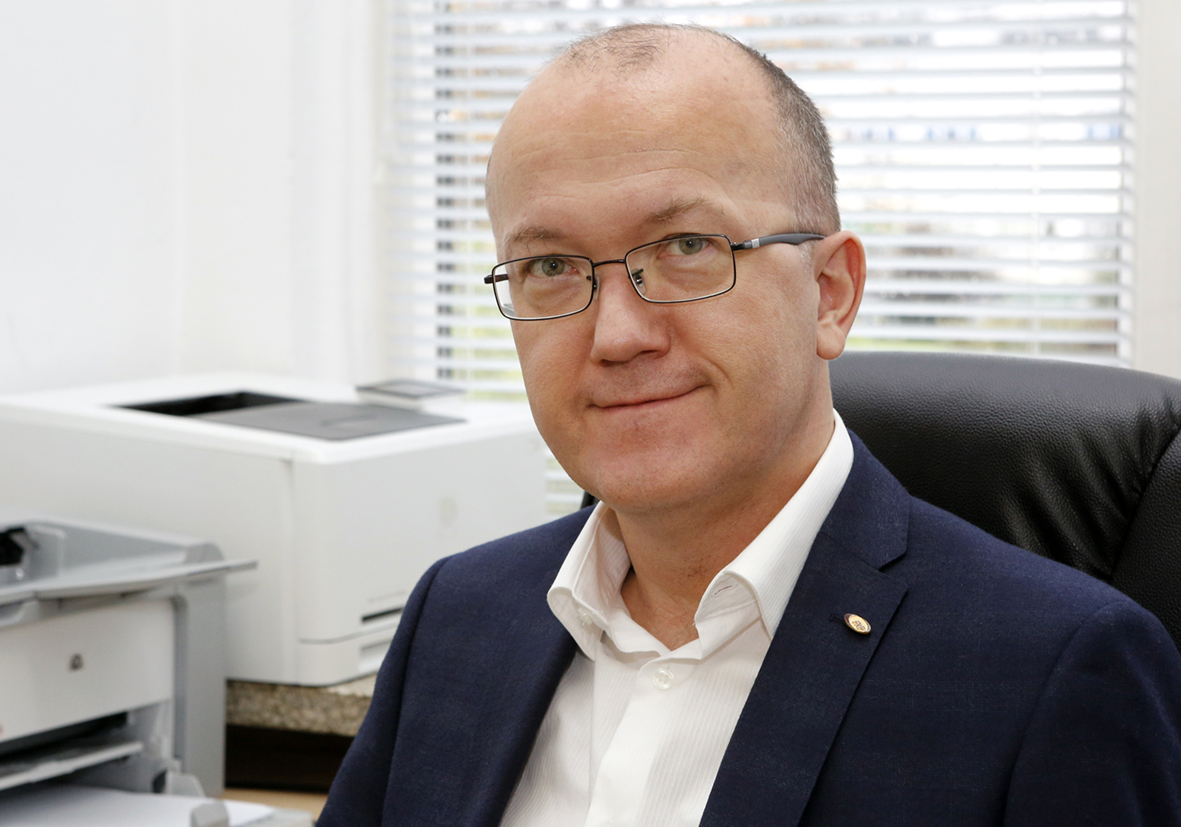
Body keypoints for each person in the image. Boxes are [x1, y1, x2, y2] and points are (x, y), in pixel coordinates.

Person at [318, 23, 1181, 827]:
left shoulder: (1054, 671)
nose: (616, 334)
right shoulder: (457, 615)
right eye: (549, 264)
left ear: (829, 295)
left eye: (687, 247)